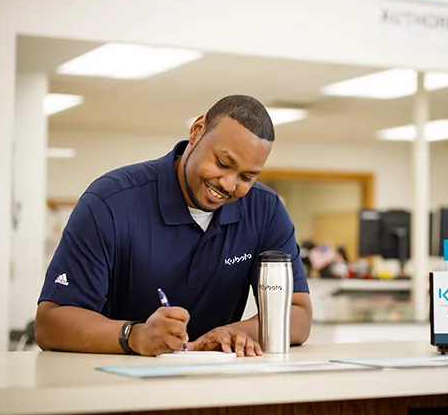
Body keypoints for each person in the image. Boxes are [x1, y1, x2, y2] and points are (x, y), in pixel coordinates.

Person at [34, 95, 312, 357]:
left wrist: (232, 333)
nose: (229, 185)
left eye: (246, 177)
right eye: (222, 163)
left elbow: (298, 314)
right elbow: (51, 323)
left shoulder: (265, 210)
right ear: (197, 131)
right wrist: (135, 335)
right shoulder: (110, 202)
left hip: (217, 381)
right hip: (117, 379)